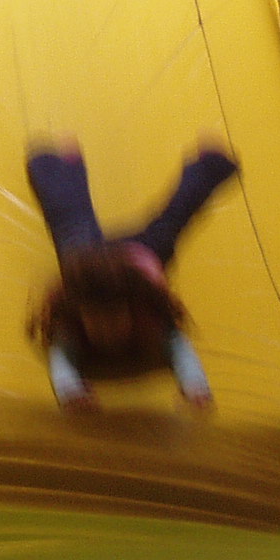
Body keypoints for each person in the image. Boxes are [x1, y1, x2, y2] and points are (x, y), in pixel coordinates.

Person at [25, 139, 238, 411]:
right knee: (71, 219)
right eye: (96, 321)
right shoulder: (73, 321)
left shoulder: (147, 317)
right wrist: (72, 392)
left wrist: (196, 388)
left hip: (130, 255)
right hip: (125, 259)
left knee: (78, 225)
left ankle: (210, 165)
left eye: (114, 320)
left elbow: (179, 349)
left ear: (130, 310)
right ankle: (57, 161)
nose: (106, 331)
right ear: (82, 314)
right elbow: (61, 361)